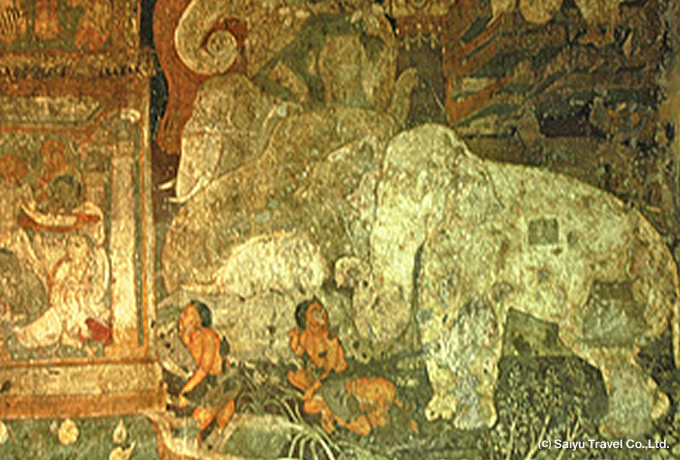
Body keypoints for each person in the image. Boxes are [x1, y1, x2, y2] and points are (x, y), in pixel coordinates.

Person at [176, 301, 237, 443]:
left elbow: (204, 369)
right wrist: (184, 332)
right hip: (211, 384)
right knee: (204, 428)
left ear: (197, 320)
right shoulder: (192, 337)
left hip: (222, 383)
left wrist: (186, 391)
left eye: (186, 314)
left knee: (202, 422)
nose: (182, 316)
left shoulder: (209, 337)